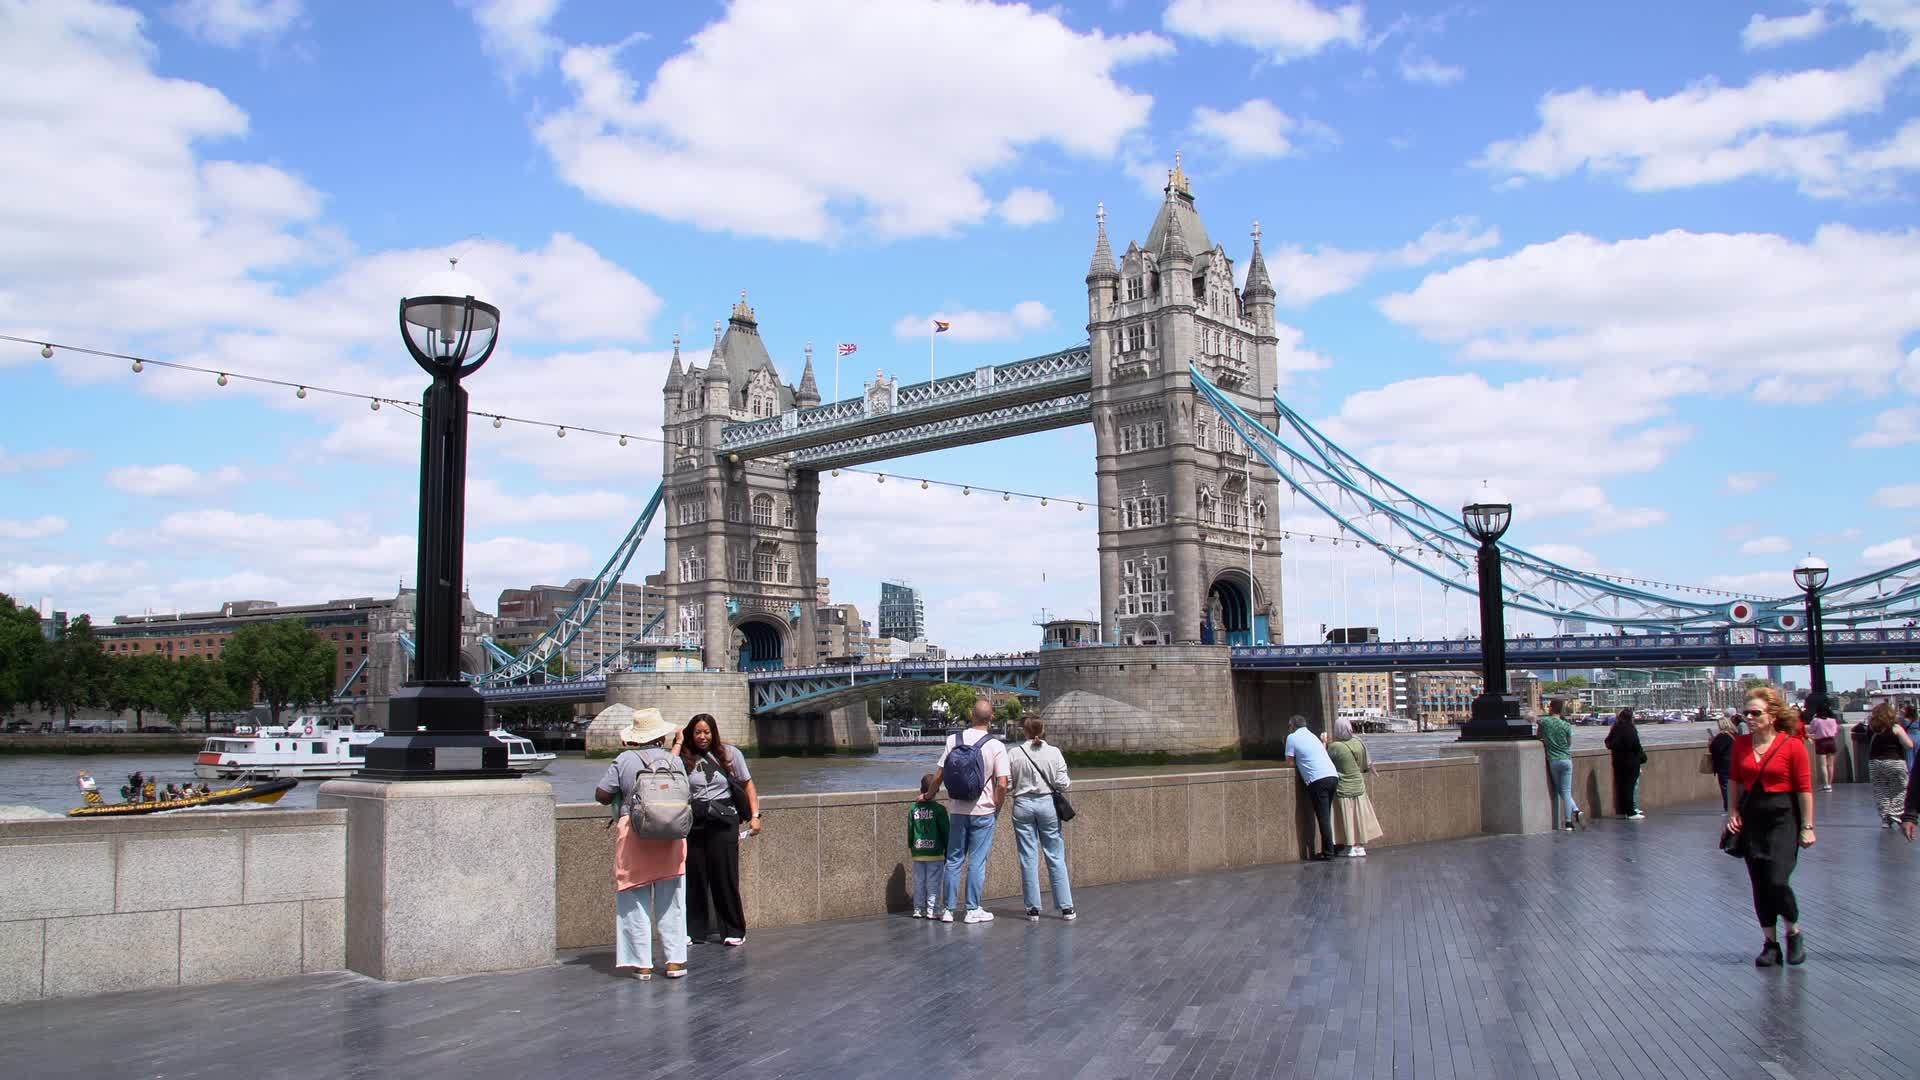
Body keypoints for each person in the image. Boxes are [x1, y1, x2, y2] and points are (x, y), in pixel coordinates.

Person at [592, 707, 691, 980]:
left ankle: (642, 963)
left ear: (634, 737)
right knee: (672, 898)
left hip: (635, 834)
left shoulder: (624, 760)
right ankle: (674, 961)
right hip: (671, 835)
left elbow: (602, 794)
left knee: (633, 898)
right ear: (660, 736)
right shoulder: (675, 762)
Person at [1727, 686, 1815, 967]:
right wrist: (1731, 812)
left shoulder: (1792, 745)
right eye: (1746, 713)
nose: (1749, 718)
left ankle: (1794, 931)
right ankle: (1770, 944)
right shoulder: (1741, 745)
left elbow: (1804, 789)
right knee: (1759, 884)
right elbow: (1734, 781)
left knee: (1777, 880)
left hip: (1783, 819)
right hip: (1752, 819)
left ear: (1772, 715)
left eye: (1756, 713)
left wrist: (1807, 826)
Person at [678, 713, 759, 947]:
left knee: (725, 875)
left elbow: (747, 783)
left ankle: (734, 929)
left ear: (714, 733)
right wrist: (677, 743)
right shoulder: (683, 758)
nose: (702, 737)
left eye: (707, 732)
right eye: (697, 732)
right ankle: (694, 931)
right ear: (690, 734)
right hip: (695, 821)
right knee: (695, 877)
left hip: (724, 820)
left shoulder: (731, 754)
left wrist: (755, 816)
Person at [927, 699, 1010, 923]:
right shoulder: (996, 746)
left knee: (954, 860)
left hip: (957, 810)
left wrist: (928, 796)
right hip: (983, 812)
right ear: (991, 718)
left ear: (971, 716)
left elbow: (938, 776)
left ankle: (948, 910)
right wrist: (997, 804)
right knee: (977, 861)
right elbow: (1002, 783)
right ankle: (972, 910)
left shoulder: (953, 740)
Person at [1006, 716, 1075, 921]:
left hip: (1022, 805)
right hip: (1047, 805)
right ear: (1042, 730)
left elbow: (1008, 785)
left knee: (1028, 857)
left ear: (1024, 732)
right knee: (1055, 855)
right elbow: (1063, 784)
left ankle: (1033, 909)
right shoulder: (1054, 752)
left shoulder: (1014, 753)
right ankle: (1066, 907)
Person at [1326, 716, 1383, 857]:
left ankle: (1350, 847)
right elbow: (1365, 765)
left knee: (1347, 818)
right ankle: (1361, 847)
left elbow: (1325, 762)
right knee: (1359, 817)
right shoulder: (1358, 742)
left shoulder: (1335, 747)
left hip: (1343, 788)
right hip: (1358, 786)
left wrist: (1323, 743)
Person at [1285, 715, 1340, 860]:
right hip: (1332, 776)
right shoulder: (1313, 736)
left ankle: (1328, 853)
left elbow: (1290, 763)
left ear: (1292, 726)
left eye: (1288, 726)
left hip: (1318, 779)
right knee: (1326, 814)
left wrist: (1301, 763)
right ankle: (1330, 848)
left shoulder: (1292, 737)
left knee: (1323, 818)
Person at [908, 773, 949, 918]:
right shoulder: (940, 810)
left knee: (919, 881)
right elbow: (945, 831)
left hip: (918, 851)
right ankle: (933, 910)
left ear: (921, 789)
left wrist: (911, 845)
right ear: (936, 790)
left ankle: (918, 909)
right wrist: (947, 848)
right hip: (935, 851)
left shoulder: (913, 808)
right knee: (934, 882)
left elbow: (910, 829)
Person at [1866, 703, 1914, 829]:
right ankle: (1895, 812)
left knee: (1881, 791)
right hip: (1895, 761)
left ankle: (1885, 817)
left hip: (1875, 763)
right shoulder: (1896, 727)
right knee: (1901, 788)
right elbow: (1909, 745)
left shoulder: (1871, 728)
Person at [1537, 698, 1582, 831]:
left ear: (1550, 708)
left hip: (1554, 760)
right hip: (1567, 760)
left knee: (1562, 790)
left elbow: (1538, 735)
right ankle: (1570, 820)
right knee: (1566, 790)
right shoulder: (1566, 725)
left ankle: (1575, 813)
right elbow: (1569, 743)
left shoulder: (1544, 722)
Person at [1604, 708, 1646, 819]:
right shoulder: (1630, 729)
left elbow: (1608, 742)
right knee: (1629, 786)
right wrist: (1642, 757)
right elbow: (1636, 746)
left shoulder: (1616, 728)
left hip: (1618, 761)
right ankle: (1630, 812)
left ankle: (1622, 811)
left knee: (1621, 786)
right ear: (1630, 718)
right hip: (1630, 762)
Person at [1806, 702, 1840, 793]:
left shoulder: (1816, 720)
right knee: (1831, 764)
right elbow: (1835, 731)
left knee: (1823, 765)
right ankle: (1830, 783)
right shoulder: (1832, 720)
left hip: (1821, 742)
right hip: (1831, 741)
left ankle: (1826, 785)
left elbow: (1812, 730)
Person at [1709, 718, 1737, 811]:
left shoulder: (1722, 736)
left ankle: (1727, 807)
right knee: (1733, 786)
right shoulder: (1734, 734)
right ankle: (1734, 806)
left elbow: (1716, 750)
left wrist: (1711, 743)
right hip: (1734, 763)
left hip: (1724, 765)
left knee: (1725, 786)